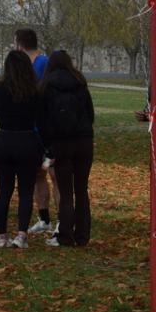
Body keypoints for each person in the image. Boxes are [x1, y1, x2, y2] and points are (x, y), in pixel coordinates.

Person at [37, 50, 96, 247]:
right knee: (81, 189)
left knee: (65, 190)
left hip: (61, 142)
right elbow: (90, 113)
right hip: (83, 140)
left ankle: (65, 234)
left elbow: (42, 119)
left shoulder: (46, 85)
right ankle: (82, 234)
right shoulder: (80, 83)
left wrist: (48, 145)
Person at [0, 50, 44, 248]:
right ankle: (21, 234)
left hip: (5, 139)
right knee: (26, 191)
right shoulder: (34, 90)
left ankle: (1, 235)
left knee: (4, 190)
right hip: (27, 139)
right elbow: (40, 116)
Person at [15, 28, 55, 234]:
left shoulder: (43, 63)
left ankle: (62, 221)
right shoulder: (27, 65)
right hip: (31, 129)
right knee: (38, 175)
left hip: (46, 129)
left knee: (55, 174)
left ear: (19, 45)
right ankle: (44, 218)